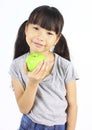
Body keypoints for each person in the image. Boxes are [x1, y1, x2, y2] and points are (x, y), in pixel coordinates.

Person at [9, 5, 78, 130]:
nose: (41, 37)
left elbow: (72, 105)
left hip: (58, 127)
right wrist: (33, 83)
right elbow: (24, 108)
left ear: (56, 39)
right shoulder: (17, 66)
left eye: (49, 33)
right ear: (26, 29)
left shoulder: (65, 66)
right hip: (29, 125)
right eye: (36, 28)